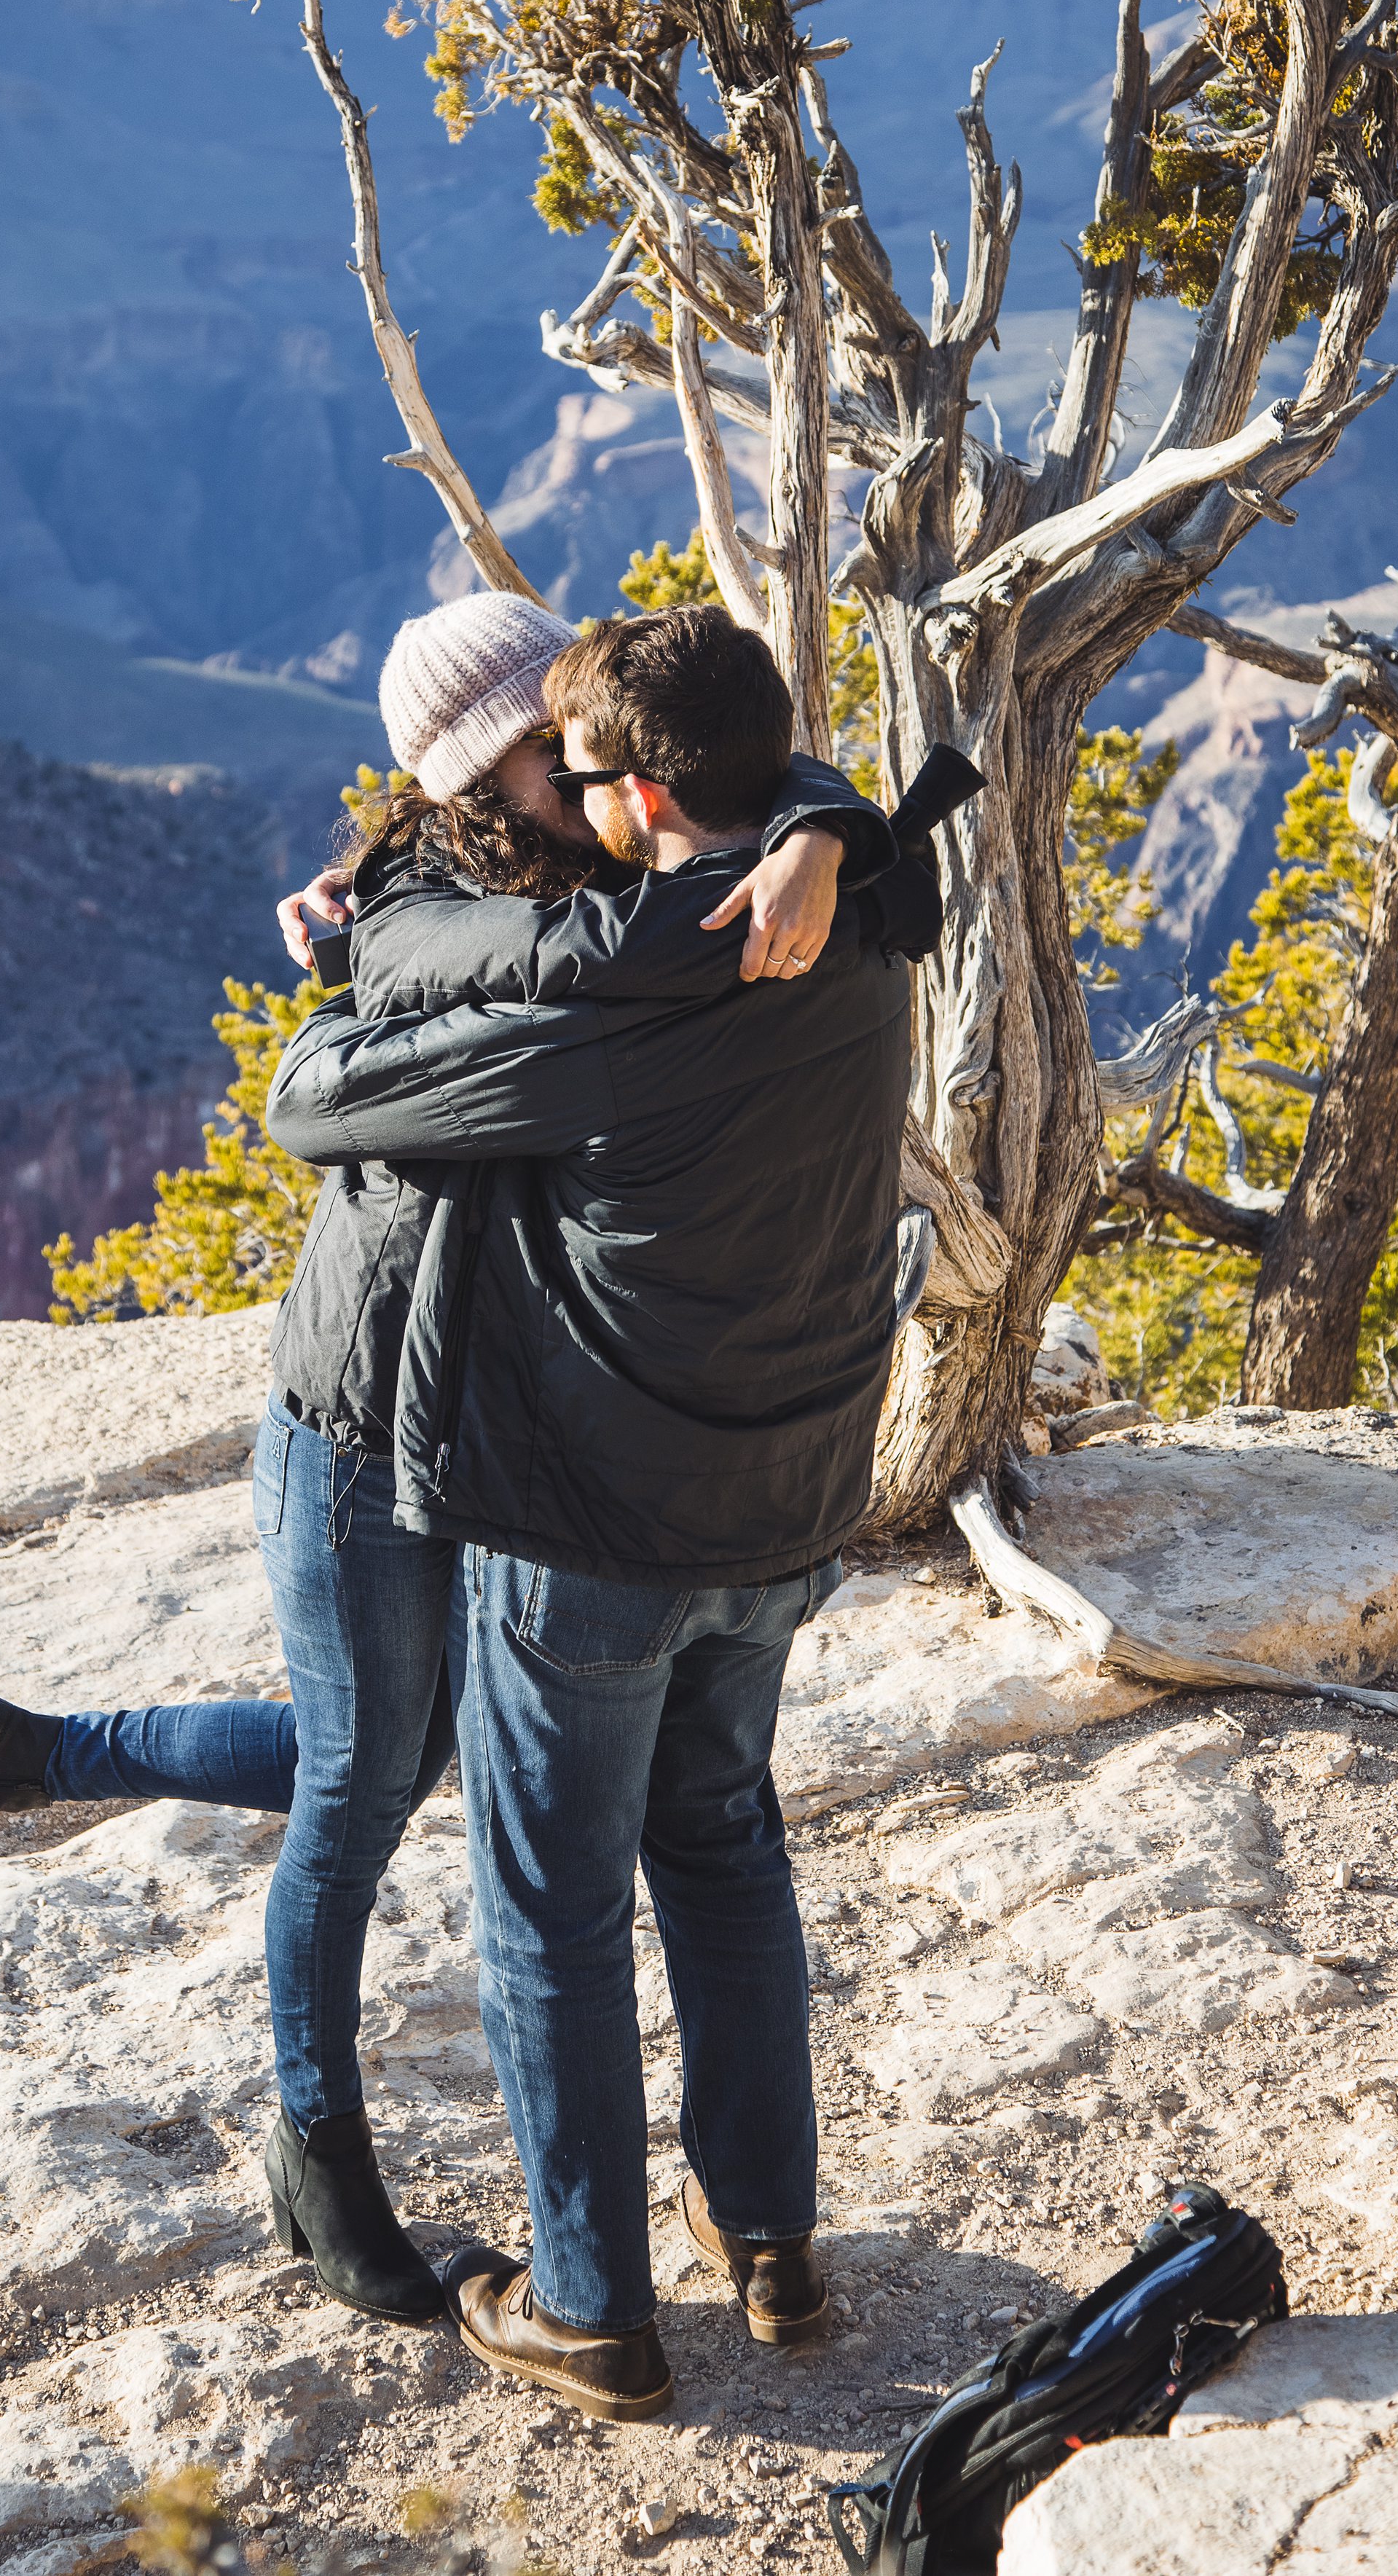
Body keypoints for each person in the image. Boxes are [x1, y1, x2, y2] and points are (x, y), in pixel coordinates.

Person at [0, 590, 890, 2332]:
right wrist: (365, 972)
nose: (584, 749)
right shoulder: (453, 913)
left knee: (421, 1763)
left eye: (600, 739)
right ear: (495, 766)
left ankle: (25, 1750)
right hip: (359, 1423)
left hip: (503, 1445)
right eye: (551, 741)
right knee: (361, 1787)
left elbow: (769, 785)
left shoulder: (659, 881)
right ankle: (319, 2149)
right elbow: (317, 1098)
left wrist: (822, 828)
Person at [264, 606, 921, 2420]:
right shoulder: (868, 913)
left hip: (599, 1534)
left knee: (548, 1903)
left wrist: (356, 979)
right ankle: (772, 2244)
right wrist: (831, 820)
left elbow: (314, 1103)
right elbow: (822, 809)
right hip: (788, 1501)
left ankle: (590, 2309)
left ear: (633, 795)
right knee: (720, 1842)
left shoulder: (609, 1003)